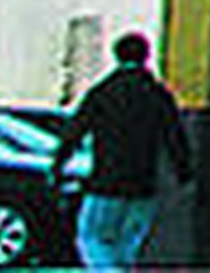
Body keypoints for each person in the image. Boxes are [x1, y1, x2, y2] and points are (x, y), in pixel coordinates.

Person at [51, 30, 193, 270]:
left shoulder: (103, 92)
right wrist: (183, 172)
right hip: (143, 184)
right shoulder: (157, 94)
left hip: (105, 181)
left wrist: (58, 164)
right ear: (147, 57)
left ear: (116, 55)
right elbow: (174, 136)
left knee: (91, 238)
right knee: (128, 245)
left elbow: (75, 131)